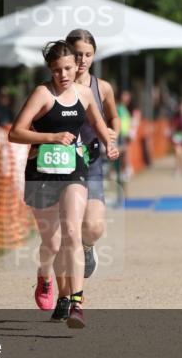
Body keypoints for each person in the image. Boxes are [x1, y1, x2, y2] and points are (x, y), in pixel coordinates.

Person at [8, 41, 118, 328]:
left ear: (76, 66)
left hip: (73, 169)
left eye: (68, 68)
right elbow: (15, 133)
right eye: (57, 70)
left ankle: (76, 303)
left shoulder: (84, 93)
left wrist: (109, 143)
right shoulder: (42, 94)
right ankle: (44, 276)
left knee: (72, 232)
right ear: (49, 70)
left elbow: (97, 123)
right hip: (41, 172)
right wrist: (51, 138)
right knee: (52, 242)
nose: (64, 74)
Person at [65, 29, 119, 281]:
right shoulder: (55, 87)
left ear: (94, 56)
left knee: (94, 227)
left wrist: (112, 136)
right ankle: (66, 293)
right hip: (61, 163)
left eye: (88, 54)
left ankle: (87, 248)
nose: (82, 60)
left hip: (92, 161)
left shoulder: (103, 88)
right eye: (77, 54)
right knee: (64, 230)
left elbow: (114, 117)